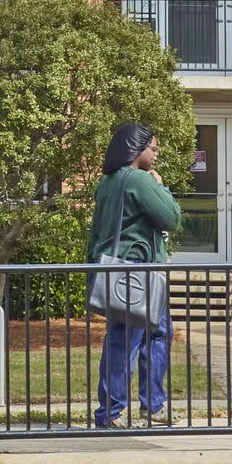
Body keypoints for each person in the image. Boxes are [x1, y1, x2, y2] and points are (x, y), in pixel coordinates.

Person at [89, 121, 181, 428]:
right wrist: (160, 185)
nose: (156, 154)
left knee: (146, 336)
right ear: (136, 149)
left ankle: (144, 406)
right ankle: (116, 413)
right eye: (153, 148)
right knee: (132, 340)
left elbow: (97, 230)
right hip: (139, 275)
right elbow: (172, 218)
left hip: (119, 274)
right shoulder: (139, 181)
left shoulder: (106, 182)